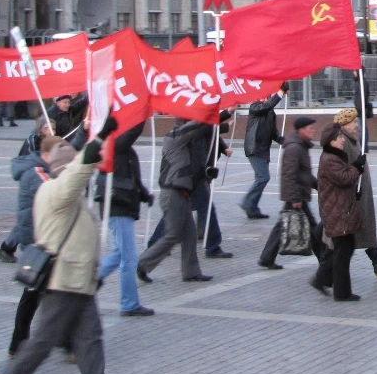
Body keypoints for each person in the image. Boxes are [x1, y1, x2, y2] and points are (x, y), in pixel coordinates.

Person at [3, 118, 117, 374]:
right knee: (41, 344)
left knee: (90, 341)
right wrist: (98, 138)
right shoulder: (58, 191)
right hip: (64, 282)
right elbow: (78, 171)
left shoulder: (64, 194)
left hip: (79, 282)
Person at [138, 113, 232, 284]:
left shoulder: (184, 143)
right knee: (173, 234)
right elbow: (200, 124)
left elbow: (190, 167)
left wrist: (206, 173)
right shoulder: (175, 137)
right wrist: (223, 113)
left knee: (189, 235)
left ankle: (191, 272)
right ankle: (143, 264)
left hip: (182, 193)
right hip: (173, 193)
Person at [95, 123, 155, 316]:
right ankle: (129, 304)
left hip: (122, 204)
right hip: (118, 206)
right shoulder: (114, 143)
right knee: (129, 258)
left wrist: (144, 194)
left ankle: (89, 282)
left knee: (119, 254)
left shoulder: (122, 148)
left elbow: (131, 177)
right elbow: (134, 130)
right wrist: (144, 109)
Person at [334, 107, 377, 277]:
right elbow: (339, 172)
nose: (357, 125)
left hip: (359, 194)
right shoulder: (343, 142)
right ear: (344, 125)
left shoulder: (353, 140)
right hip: (350, 196)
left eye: (356, 121)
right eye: (353, 122)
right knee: (341, 235)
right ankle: (324, 273)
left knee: (363, 228)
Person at [259, 117, 324, 273]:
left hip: (298, 194)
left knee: (283, 226)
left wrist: (318, 186)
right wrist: (294, 198)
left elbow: (304, 174)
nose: (313, 130)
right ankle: (325, 260)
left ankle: (267, 257)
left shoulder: (300, 146)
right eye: (310, 128)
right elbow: (289, 175)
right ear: (301, 130)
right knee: (311, 229)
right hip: (296, 196)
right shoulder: (295, 148)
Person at [315, 122, 364, 301]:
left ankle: (328, 282)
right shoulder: (329, 159)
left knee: (345, 249)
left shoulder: (335, 156)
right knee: (342, 251)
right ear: (331, 141)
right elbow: (344, 179)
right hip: (337, 211)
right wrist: (357, 167)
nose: (343, 140)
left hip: (341, 208)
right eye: (339, 138)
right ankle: (341, 292)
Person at [0, 133, 55, 264]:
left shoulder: (40, 164)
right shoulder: (35, 172)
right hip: (33, 231)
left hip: (34, 223)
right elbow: (57, 190)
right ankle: (6, 248)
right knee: (34, 271)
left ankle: (7, 247)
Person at [241, 82, 288, 219]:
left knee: (259, 179)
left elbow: (273, 132)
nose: (265, 98)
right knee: (263, 177)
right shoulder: (255, 107)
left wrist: (283, 140)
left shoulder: (270, 112)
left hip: (263, 149)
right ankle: (248, 203)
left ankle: (252, 209)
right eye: (263, 96)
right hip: (254, 148)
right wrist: (280, 93)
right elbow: (266, 107)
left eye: (267, 95)